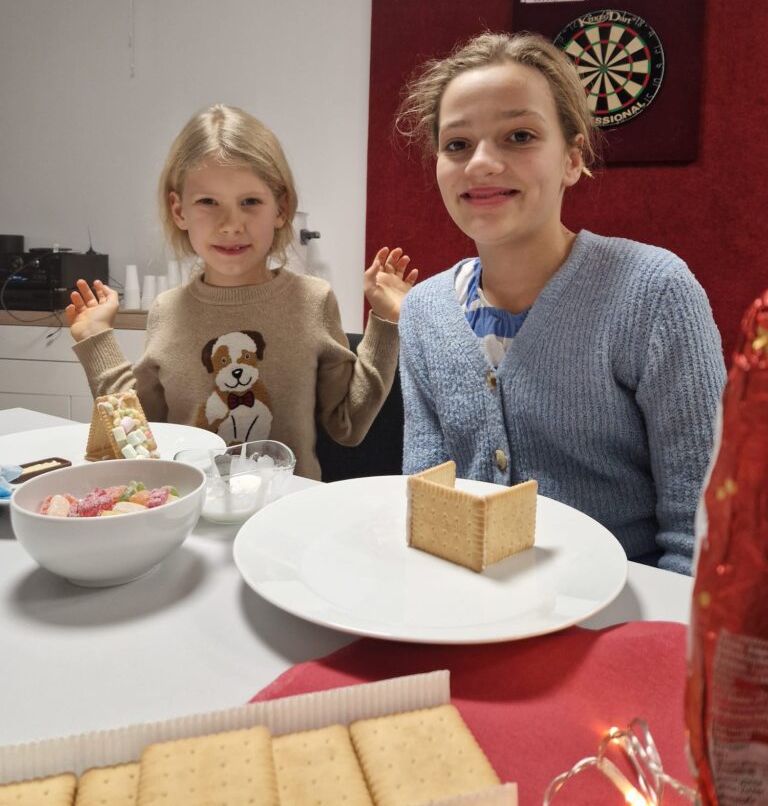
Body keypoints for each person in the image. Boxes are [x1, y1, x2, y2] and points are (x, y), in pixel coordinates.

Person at [395, 32, 725, 574]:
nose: (480, 163)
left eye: (519, 136)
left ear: (572, 159)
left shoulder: (655, 292)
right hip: (468, 600)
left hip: (626, 602)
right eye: (457, 144)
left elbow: (701, 530)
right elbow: (431, 505)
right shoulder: (424, 311)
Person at [66, 104, 417, 481]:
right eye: (208, 202)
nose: (231, 225)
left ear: (281, 208)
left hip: (287, 511)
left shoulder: (313, 301)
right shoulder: (166, 310)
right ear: (179, 209)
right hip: (193, 510)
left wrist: (386, 322)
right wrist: (97, 341)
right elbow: (139, 436)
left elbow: (348, 426)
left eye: (250, 202)